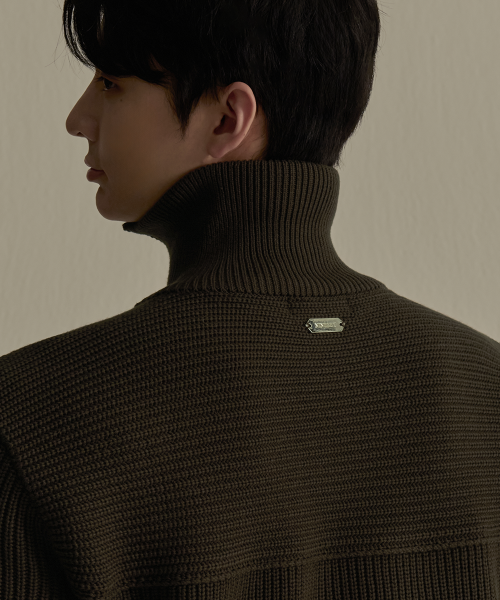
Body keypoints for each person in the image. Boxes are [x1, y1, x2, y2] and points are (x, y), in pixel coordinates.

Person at [1, 1, 499, 598]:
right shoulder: (488, 389)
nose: (76, 118)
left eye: (111, 84)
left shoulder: (30, 421)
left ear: (226, 119)